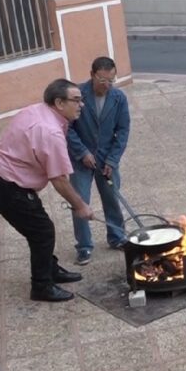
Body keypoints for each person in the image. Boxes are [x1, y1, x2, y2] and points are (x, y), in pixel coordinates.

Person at [0, 79, 94, 302]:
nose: (81, 105)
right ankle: (41, 287)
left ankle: (51, 270)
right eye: (77, 101)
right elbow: (59, 179)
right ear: (59, 103)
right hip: (4, 184)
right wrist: (81, 206)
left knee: (39, 228)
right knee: (42, 232)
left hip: (7, 179)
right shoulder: (49, 131)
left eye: (82, 100)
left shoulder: (38, 110)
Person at [67, 57, 131, 265]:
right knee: (80, 201)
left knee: (112, 198)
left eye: (111, 81)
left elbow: (122, 131)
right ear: (92, 74)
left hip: (106, 157)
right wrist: (82, 152)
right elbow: (67, 128)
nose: (107, 85)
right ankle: (84, 246)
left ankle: (116, 236)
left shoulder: (118, 98)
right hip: (80, 158)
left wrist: (112, 160)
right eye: (103, 80)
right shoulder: (77, 95)